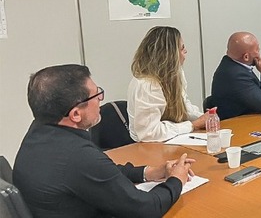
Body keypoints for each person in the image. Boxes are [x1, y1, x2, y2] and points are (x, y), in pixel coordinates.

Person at [13, 64, 195, 218]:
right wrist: (176, 181)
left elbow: (102, 173)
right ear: (75, 114)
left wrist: (149, 172)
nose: (100, 100)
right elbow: (147, 208)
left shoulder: (40, 134)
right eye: (96, 95)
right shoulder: (77, 155)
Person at [127, 26, 207, 142]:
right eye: (181, 48)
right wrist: (192, 125)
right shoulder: (147, 85)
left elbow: (184, 105)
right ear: (169, 54)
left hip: (171, 140)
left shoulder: (176, 73)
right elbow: (149, 133)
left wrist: (203, 118)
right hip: (147, 147)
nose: (186, 51)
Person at [205, 32, 261, 120]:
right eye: (257, 50)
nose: (259, 53)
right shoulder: (237, 75)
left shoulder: (230, 64)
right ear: (246, 57)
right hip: (237, 126)